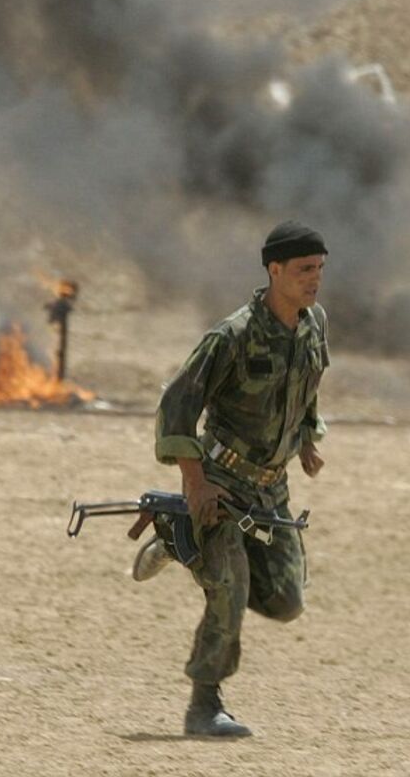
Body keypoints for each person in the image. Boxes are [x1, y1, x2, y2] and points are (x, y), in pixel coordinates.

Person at [137, 220, 330, 738]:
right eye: (304, 269)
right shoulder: (233, 336)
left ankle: (179, 545)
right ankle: (204, 706)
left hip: (272, 489)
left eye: (319, 269)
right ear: (274, 270)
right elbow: (176, 407)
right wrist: (196, 484)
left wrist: (307, 439)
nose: (314, 278)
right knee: (230, 584)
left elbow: (308, 384)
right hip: (222, 483)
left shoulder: (314, 324)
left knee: (286, 601)